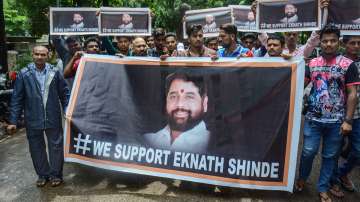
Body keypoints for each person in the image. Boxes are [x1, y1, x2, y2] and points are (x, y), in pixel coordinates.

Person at [295, 25, 359, 202]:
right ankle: (302, 178)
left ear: (338, 42)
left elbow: (353, 94)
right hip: (313, 119)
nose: (329, 44)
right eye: (325, 41)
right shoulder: (312, 63)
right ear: (320, 43)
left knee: (330, 156)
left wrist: (348, 121)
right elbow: (300, 83)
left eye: (332, 41)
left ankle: (322, 188)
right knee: (308, 151)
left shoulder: (348, 65)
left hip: (337, 122)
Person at [7, 46, 69, 187]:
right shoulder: (24, 74)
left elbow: (65, 94)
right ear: (32, 55)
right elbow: (17, 99)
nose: (40, 57)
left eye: (43, 54)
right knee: (36, 147)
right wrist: (13, 121)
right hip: (32, 117)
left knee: (56, 146)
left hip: (52, 116)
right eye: (37, 54)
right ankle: (43, 175)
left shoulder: (55, 72)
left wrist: (67, 110)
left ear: (48, 56)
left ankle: (56, 175)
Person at [144, 72, 210, 153]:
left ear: (204, 103)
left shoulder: (211, 143)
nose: (180, 105)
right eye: (173, 96)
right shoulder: (147, 141)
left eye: (189, 97)